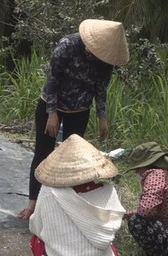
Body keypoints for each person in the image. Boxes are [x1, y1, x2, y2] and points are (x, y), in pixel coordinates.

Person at [18, 19, 130, 220]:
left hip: (80, 109)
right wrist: (52, 113)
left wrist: (102, 116)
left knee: (73, 159)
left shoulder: (106, 59)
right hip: (52, 104)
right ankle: (32, 204)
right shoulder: (67, 46)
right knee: (43, 153)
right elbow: (52, 80)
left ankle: (65, 207)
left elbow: (100, 88)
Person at [28, 135, 125, 256]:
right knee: (111, 248)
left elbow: (36, 227)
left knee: (37, 240)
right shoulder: (108, 191)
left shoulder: (50, 191)